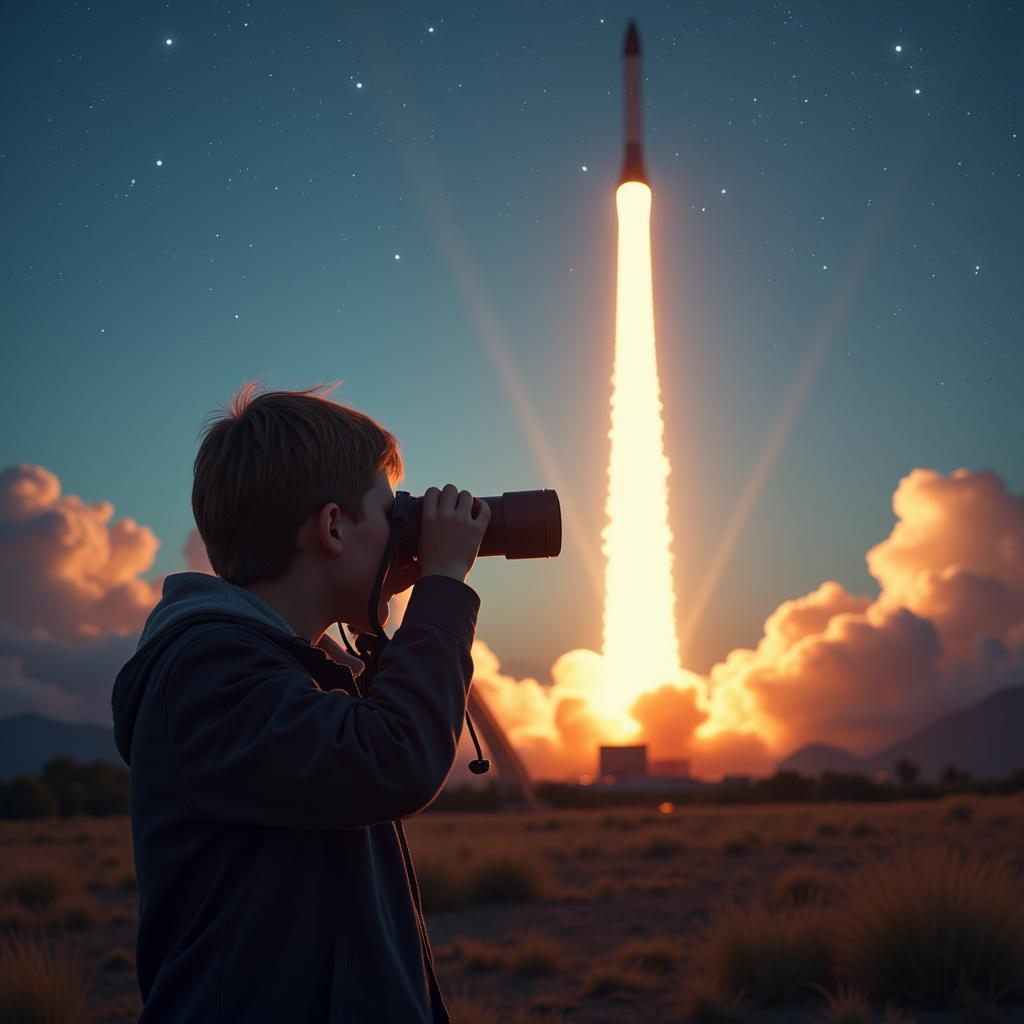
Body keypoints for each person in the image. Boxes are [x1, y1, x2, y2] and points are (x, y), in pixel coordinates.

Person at [111, 379, 491, 1023]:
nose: (405, 536)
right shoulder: (206, 672)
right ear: (334, 527)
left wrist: (380, 626)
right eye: (390, 513)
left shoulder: (274, 670)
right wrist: (444, 589)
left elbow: (352, 762)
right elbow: (392, 758)